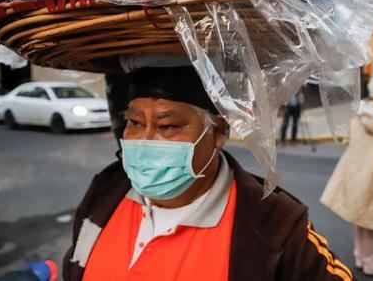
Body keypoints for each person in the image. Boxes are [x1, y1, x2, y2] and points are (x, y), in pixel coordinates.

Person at [63, 66, 352, 281]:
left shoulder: (275, 224)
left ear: (218, 132)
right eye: (135, 122)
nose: (145, 139)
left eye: (168, 127)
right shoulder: (106, 191)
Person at [321, 75, 373, 278]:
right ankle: (372, 265)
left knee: (360, 218)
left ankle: (360, 257)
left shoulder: (361, 112)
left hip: (354, 172)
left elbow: (348, 140)